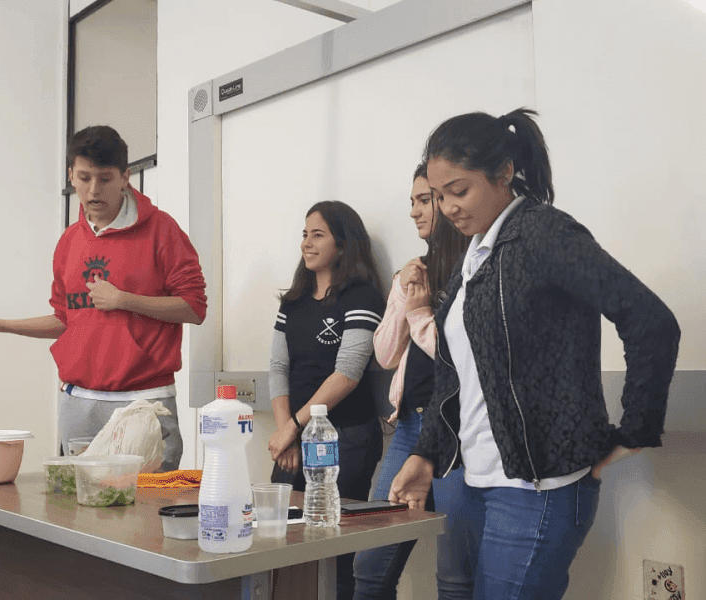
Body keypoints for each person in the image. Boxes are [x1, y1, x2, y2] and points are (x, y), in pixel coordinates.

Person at [390, 108, 680, 600]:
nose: (447, 208)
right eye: (438, 195)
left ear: (503, 173)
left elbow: (650, 320)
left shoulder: (543, 233)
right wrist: (426, 453)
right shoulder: (474, 255)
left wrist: (636, 429)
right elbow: (453, 373)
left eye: (459, 191)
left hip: (538, 488)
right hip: (477, 477)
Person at [0, 125, 207, 470]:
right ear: (71, 176)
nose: (94, 190)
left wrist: (125, 300)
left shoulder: (162, 230)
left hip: (144, 401)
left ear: (125, 177)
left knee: (146, 504)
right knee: (80, 502)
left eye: (105, 178)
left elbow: (194, 308)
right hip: (78, 403)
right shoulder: (69, 241)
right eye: (84, 178)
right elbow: (66, 320)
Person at [353, 163, 472, 600]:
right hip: (408, 428)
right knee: (369, 564)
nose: (414, 212)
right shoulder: (414, 271)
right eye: (413, 202)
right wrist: (404, 296)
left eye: (424, 201)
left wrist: (421, 314)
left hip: (460, 432)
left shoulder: (473, 269)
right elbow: (385, 354)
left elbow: (459, 355)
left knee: (456, 575)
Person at [268, 200, 385, 600]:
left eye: (317, 235)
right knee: (281, 542)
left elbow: (347, 372)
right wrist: (286, 433)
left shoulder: (362, 296)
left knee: (335, 551)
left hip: (346, 438)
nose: (306, 243)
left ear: (343, 243)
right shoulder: (293, 300)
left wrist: (292, 427)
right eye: (304, 234)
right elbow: (278, 368)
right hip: (294, 436)